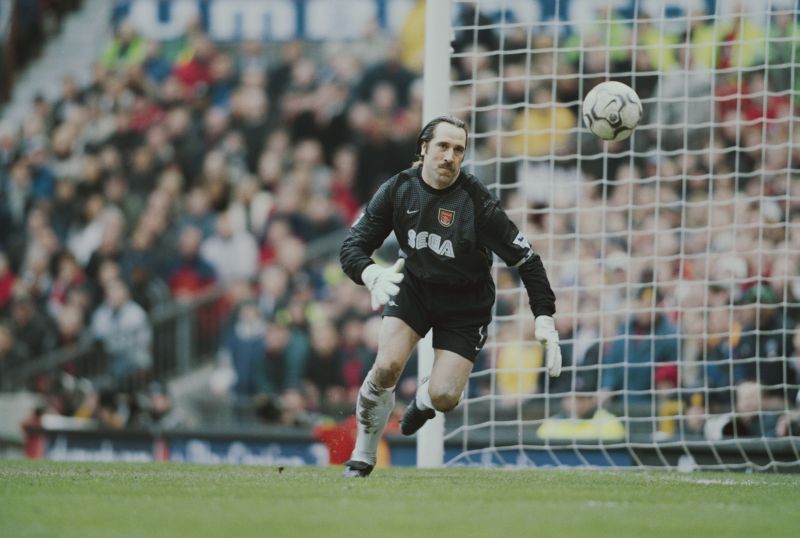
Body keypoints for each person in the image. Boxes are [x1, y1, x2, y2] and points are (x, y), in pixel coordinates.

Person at [338, 115, 562, 477]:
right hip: (414, 288)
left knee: (445, 396)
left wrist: (545, 317)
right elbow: (352, 245)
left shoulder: (477, 202)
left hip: (465, 305)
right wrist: (368, 272)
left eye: (459, 149)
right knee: (386, 366)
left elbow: (528, 261)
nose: (450, 156)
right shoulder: (398, 189)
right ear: (424, 148)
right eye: (443, 146)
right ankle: (363, 456)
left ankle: (424, 400)